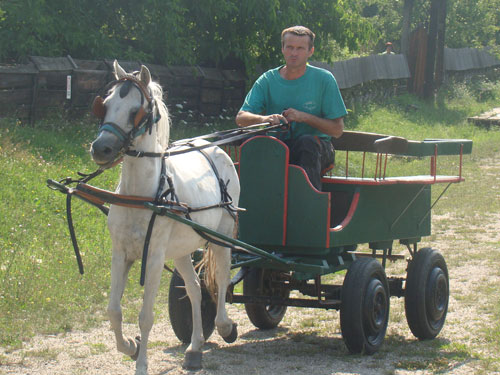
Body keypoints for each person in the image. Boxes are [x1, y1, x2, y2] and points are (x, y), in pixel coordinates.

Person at [235, 26, 347, 190]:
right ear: (282, 49)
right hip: (278, 146)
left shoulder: (324, 79)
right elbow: (241, 118)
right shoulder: (267, 79)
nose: (294, 53)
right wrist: (265, 119)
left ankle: (308, 207)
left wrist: (304, 117)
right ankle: (250, 201)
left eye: (300, 48)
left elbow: (337, 130)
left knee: (306, 142)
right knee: (252, 140)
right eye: (290, 47)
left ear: (310, 51)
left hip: (316, 150)